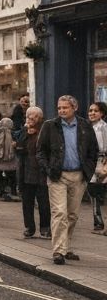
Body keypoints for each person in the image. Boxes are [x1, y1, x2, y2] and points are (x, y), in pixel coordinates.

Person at [38, 95, 99, 265]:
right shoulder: (50, 126)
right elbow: (40, 151)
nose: (61, 111)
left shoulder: (85, 125)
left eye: (65, 108)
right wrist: (49, 170)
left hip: (79, 176)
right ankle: (58, 251)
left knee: (72, 215)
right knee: (59, 213)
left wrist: (88, 171)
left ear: (74, 108)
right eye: (59, 108)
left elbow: (93, 150)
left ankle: (65, 246)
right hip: (58, 176)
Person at [15, 105, 50, 239]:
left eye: (34, 116)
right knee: (27, 202)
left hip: (41, 171)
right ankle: (29, 227)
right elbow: (18, 148)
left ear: (40, 117)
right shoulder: (24, 130)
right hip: (26, 170)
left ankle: (45, 228)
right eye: (29, 115)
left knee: (43, 202)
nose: (31, 118)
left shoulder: (45, 129)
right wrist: (25, 132)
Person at [87, 101, 107, 234]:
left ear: (102, 114)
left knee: (100, 194)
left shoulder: (103, 127)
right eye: (90, 111)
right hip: (92, 163)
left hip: (102, 163)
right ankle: (98, 222)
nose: (92, 113)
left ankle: (100, 223)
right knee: (94, 193)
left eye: (95, 111)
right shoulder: (89, 127)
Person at [0, 108, 18, 201]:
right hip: (1, 157)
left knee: (9, 175)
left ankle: (7, 191)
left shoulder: (5, 131)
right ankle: (2, 191)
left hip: (4, 157)